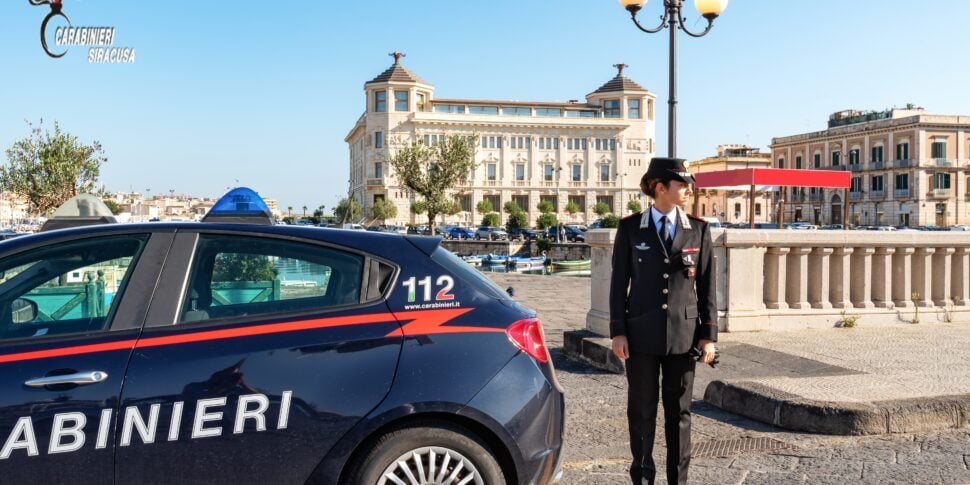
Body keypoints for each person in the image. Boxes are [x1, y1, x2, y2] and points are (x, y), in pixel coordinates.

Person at [609, 157, 718, 485]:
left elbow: (708, 284)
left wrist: (708, 336)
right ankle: (642, 479)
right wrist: (618, 332)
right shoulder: (630, 228)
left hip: (684, 337)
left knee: (679, 415)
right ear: (659, 188)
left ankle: (677, 481)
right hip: (640, 336)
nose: (689, 189)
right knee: (642, 413)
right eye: (682, 184)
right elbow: (618, 284)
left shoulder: (698, 229)